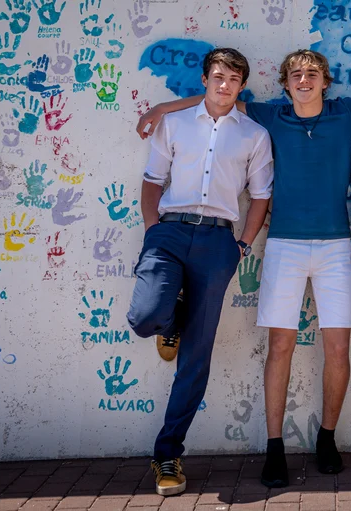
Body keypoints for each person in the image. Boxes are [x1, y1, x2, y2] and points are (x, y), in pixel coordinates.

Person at [136, 49, 351, 487]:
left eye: (313, 74)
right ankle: (275, 447)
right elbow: (217, 103)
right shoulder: (268, 117)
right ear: (286, 83)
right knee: (280, 347)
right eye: (296, 74)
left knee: (337, 349)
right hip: (283, 246)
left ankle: (327, 439)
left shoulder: (347, 111)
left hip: (335, 246)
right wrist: (164, 106)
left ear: (325, 81)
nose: (304, 80)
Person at [127, 48, 274, 496]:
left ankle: (168, 454)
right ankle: (169, 324)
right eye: (217, 76)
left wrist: (242, 245)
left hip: (217, 241)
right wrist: (153, 230)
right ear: (205, 79)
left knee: (197, 353)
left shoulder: (254, 134)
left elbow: (261, 195)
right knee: (144, 316)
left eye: (233, 78)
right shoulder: (175, 123)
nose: (224, 84)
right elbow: (154, 180)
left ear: (242, 85)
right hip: (169, 233)